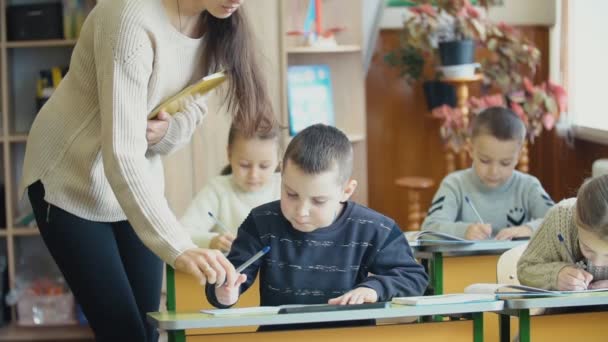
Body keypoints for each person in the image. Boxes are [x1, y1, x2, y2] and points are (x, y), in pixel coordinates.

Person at [20, 0, 273, 340]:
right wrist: (179, 246)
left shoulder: (216, 21)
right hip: (70, 179)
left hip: (136, 180)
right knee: (125, 333)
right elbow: (122, 153)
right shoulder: (129, 17)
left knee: (150, 329)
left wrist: (165, 132)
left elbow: (192, 108)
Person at [206, 124, 428, 329]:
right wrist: (225, 292)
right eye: (291, 194)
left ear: (346, 191)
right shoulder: (261, 221)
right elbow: (230, 277)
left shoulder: (373, 227)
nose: (301, 211)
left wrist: (372, 289)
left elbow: (414, 278)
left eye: (318, 201)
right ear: (282, 174)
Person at [421, 107, 554, 240]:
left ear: (518, 157)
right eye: (485, 160)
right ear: (471, 149)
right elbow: (429, 229)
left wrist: (528, 229)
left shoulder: (528, 186)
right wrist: (463, 231)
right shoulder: (454, 184)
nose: (494, 172)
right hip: (467, 261)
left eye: (505, 163)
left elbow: (558, 222)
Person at [180, 123, 281, 252]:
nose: (254, 175)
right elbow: (182, 232)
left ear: (278, 159)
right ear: (229, 154)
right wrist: (212, 241)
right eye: (244, 165)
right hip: (231, 270)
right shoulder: (217, 189)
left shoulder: (286, 188)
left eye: (264, 166)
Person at [518, 175, 608, 291]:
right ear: (576, 218)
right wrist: (554, 276)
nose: (597, 263)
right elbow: (524, 269)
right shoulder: (561, 218)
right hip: (562, 309)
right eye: (587, 248)